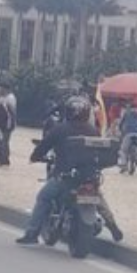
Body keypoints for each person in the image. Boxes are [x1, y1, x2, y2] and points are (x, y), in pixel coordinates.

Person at [16, 97, 123, 244]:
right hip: (88, 176)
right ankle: (112, 226)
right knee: (97, 198)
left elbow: (44, 146)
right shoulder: (93, 131)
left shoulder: (59, 129)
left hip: (65, 176)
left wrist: (35, 157)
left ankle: (31, 233)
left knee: (44, 197)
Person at [117, 99, 137, 175]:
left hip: (128, 133)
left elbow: (121, 124)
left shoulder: (126, 113)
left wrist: (121, 130)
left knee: (123, 150)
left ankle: (124, 165)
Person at [0, 84, 17, 166]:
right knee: (2, 142)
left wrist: (12, 124)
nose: (0, 90)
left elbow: (12, 112)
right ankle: (3, 160)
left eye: (1, 89)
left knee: (3, 142)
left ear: (6, 89)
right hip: (1, 123)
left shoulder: (10, 98)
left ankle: (2, 160)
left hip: (7, 124)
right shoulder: (2, 97)